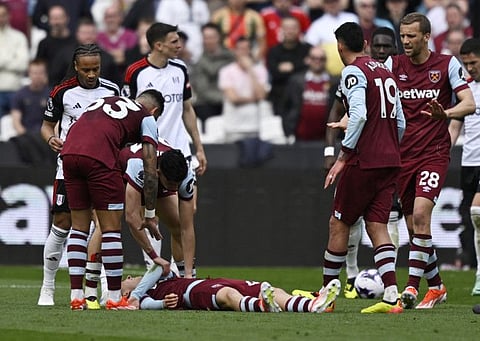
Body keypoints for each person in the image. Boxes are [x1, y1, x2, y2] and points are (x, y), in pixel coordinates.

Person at [384, 12, 475, 309]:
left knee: (422, 216)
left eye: (411, 36)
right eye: (403, 35)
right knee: (414, 229)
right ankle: (436, 285)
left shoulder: (446, 64)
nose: (405, 41)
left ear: (426, 37)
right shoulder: (393, 65)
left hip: (434, 153)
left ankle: (411, 289)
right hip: (403, 156)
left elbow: (469, 103)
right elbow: (373, 97)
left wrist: (445, 114)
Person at [322, 22, 405, 314]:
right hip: (390, 160)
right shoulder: (386, 72)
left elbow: (357, 115)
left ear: (340, 46)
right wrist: (388, 145)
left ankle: (327, 295)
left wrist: (344, 156)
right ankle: (393, 297)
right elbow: (400, 122)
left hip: (364, 160)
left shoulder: (352, 72)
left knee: (339, 223)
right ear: (366, 44)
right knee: (377, 225)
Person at [60, 90, 169, 310]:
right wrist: (149, 214)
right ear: (154, 112)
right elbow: (150, 167)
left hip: (69, 153)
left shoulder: (106, 101)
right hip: (99, 157)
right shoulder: (146, 117)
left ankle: (77, 296)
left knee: (79, 228)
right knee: (110, 229)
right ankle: (113, 296)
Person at [37, 44, 120, 307]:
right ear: (76, 67)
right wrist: (51, 138)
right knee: (62, 224)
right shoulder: (62, 92)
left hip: (103, 167)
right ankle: (47, 288)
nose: (92, 74)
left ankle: (105, 289)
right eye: (86, 69)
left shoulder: (112, 91)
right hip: (69, 167)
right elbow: (47, 125)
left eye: (96, 68)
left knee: (105, 226)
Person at [122, 22, 207, 278]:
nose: (180, 46)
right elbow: (128, 112)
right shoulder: (136, 72)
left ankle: (182, 275)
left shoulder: (181, 69)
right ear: (158, 45)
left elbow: (187, 109)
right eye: (174, 42)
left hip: (181, 153)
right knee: (156, 213)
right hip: (151, 153)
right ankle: (157, 269)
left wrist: (199, 148)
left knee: (186, 216)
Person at [121, 264, 341, 313]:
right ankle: (260, 306)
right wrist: (159, 303)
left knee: (272, 289)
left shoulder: (155, 280)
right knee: (227, 296)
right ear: (125, 293)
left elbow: (159, 266)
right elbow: (144, 304)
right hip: (192, 292)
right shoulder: (145, 295)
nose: (131, 276)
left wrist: (137, 292)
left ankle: (312, 305)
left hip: (211, 280)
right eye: (126, 279)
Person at [120, 140, 197, 278]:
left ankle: (185, 275)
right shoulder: (138, 165)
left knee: (178, 226)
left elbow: (187, 227)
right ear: (158, 172)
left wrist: (189, 274)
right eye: (171, 184)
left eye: (177, 185)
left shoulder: (185, 175)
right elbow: (131, 217)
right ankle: (102, 287)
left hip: (155, 181)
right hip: (120, 176)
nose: (174, 189)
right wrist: (154, 256)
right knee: (106, 228)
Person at [449, 38, 480, 295]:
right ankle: (478, 271)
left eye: (474, 63)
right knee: (472, 220)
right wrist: (441, 151)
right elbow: (455, 125)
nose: (470, 68)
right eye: (466, 63)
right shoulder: (466, 89)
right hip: (469, 161)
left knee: (477, 213)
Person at [218, 36, 270, 143]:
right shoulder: (226, 71)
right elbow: (234, 98)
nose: (243, 52)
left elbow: (261, 95)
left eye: (246, 48)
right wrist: (253, 99)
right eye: (240, 49)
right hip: (233, 127)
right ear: (235, 51)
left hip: (254, 127)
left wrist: (250, 69)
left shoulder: (260, 70)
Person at [281, 45, 334, 141]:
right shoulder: (296, 81)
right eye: (314, 58)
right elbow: (286, 107)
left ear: (325, 61)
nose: (317, 61)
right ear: (308, 59)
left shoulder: (334, 82)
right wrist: (288, 131)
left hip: (325, 139)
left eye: (321, 58)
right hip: (300, 138)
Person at [190, 22, 234, 133]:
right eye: (205, 38)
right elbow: (202, 90)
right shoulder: (199, 62)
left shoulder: (232, 58)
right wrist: (225, 99)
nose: (208, 41)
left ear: (219, 38)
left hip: (232, 101)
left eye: (211, 37)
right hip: (208, 104)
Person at [266, 16, 311, 120]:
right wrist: (300, 64)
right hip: (279, 98)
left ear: (299, 30)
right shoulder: (273, 51)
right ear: (281, 30)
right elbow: (275, 74)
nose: (290, 31)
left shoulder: (307, 49)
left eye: (293, 27)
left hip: (303, 97)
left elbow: (308, 72)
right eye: (287, 28)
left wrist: (291, 67)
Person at [35, 5, 77, 87]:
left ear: (67, 19)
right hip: (49, 87)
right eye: (53, 18)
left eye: (59, 18)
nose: (57, 22)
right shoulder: (43, 43)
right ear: (49, 20)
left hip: (72, 85)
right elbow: (39, 65)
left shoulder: (76, 42)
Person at [0, 2, 29, 118]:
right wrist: (11, 58)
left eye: (3, 15)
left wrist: (1, 61)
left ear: (9, 16)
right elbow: (17, 63)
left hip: (15, 90)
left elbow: (22, 64)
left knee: (14, 130)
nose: (1, 18)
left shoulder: (19, 37)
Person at [10, 59, 50, 136]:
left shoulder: (52, 95)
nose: (37, 76)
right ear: (29, 74)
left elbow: (55, 122)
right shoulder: (20, 94)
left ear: (45, 74)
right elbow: (16, 122)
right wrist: (25, 136)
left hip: (45, 136)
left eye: (41, 73)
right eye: (35, 73)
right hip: (26, 135)